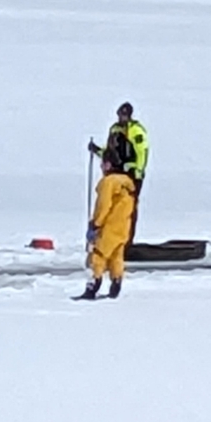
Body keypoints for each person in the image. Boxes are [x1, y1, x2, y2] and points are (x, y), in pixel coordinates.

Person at [77, 149, 136, 300]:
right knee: (116, 257)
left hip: (108, 228)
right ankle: (116, 284)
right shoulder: (126, 183)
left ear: (108, 164)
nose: (101, 167)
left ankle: (92, 286)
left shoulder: (108, 183)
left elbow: (104, 205)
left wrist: (95, 224)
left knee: (97, 256)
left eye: (102, 164)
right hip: (123, 227)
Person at [88, 101, 148, 242]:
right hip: (115, 174)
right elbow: (110, 152)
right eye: (120, 115)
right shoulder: (114, 129)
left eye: (125, 115)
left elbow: (142, 153)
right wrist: (97, 150)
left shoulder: (136, 131)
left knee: (128, 208)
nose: (122, 118)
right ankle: (110, 239)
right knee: (111, 206)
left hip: (131, 175)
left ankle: (127, 241)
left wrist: (136, 169)